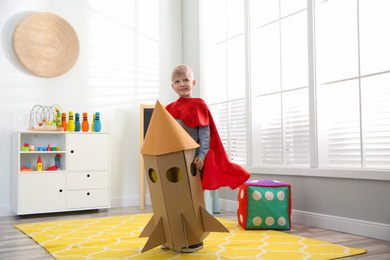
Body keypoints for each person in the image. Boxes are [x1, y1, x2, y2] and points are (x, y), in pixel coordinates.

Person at [165, 64, 250, 253]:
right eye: (177, 81)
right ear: (172, 86)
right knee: (172, 197)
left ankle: (194, 239)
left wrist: (201, 156)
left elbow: (204, 135)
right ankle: (172, 234)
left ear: (193, 82)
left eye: (186, 80)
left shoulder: (198, 104)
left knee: (191, 197)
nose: (182, 84)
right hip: (174, 159)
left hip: (193, 159)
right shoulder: (169, 108)